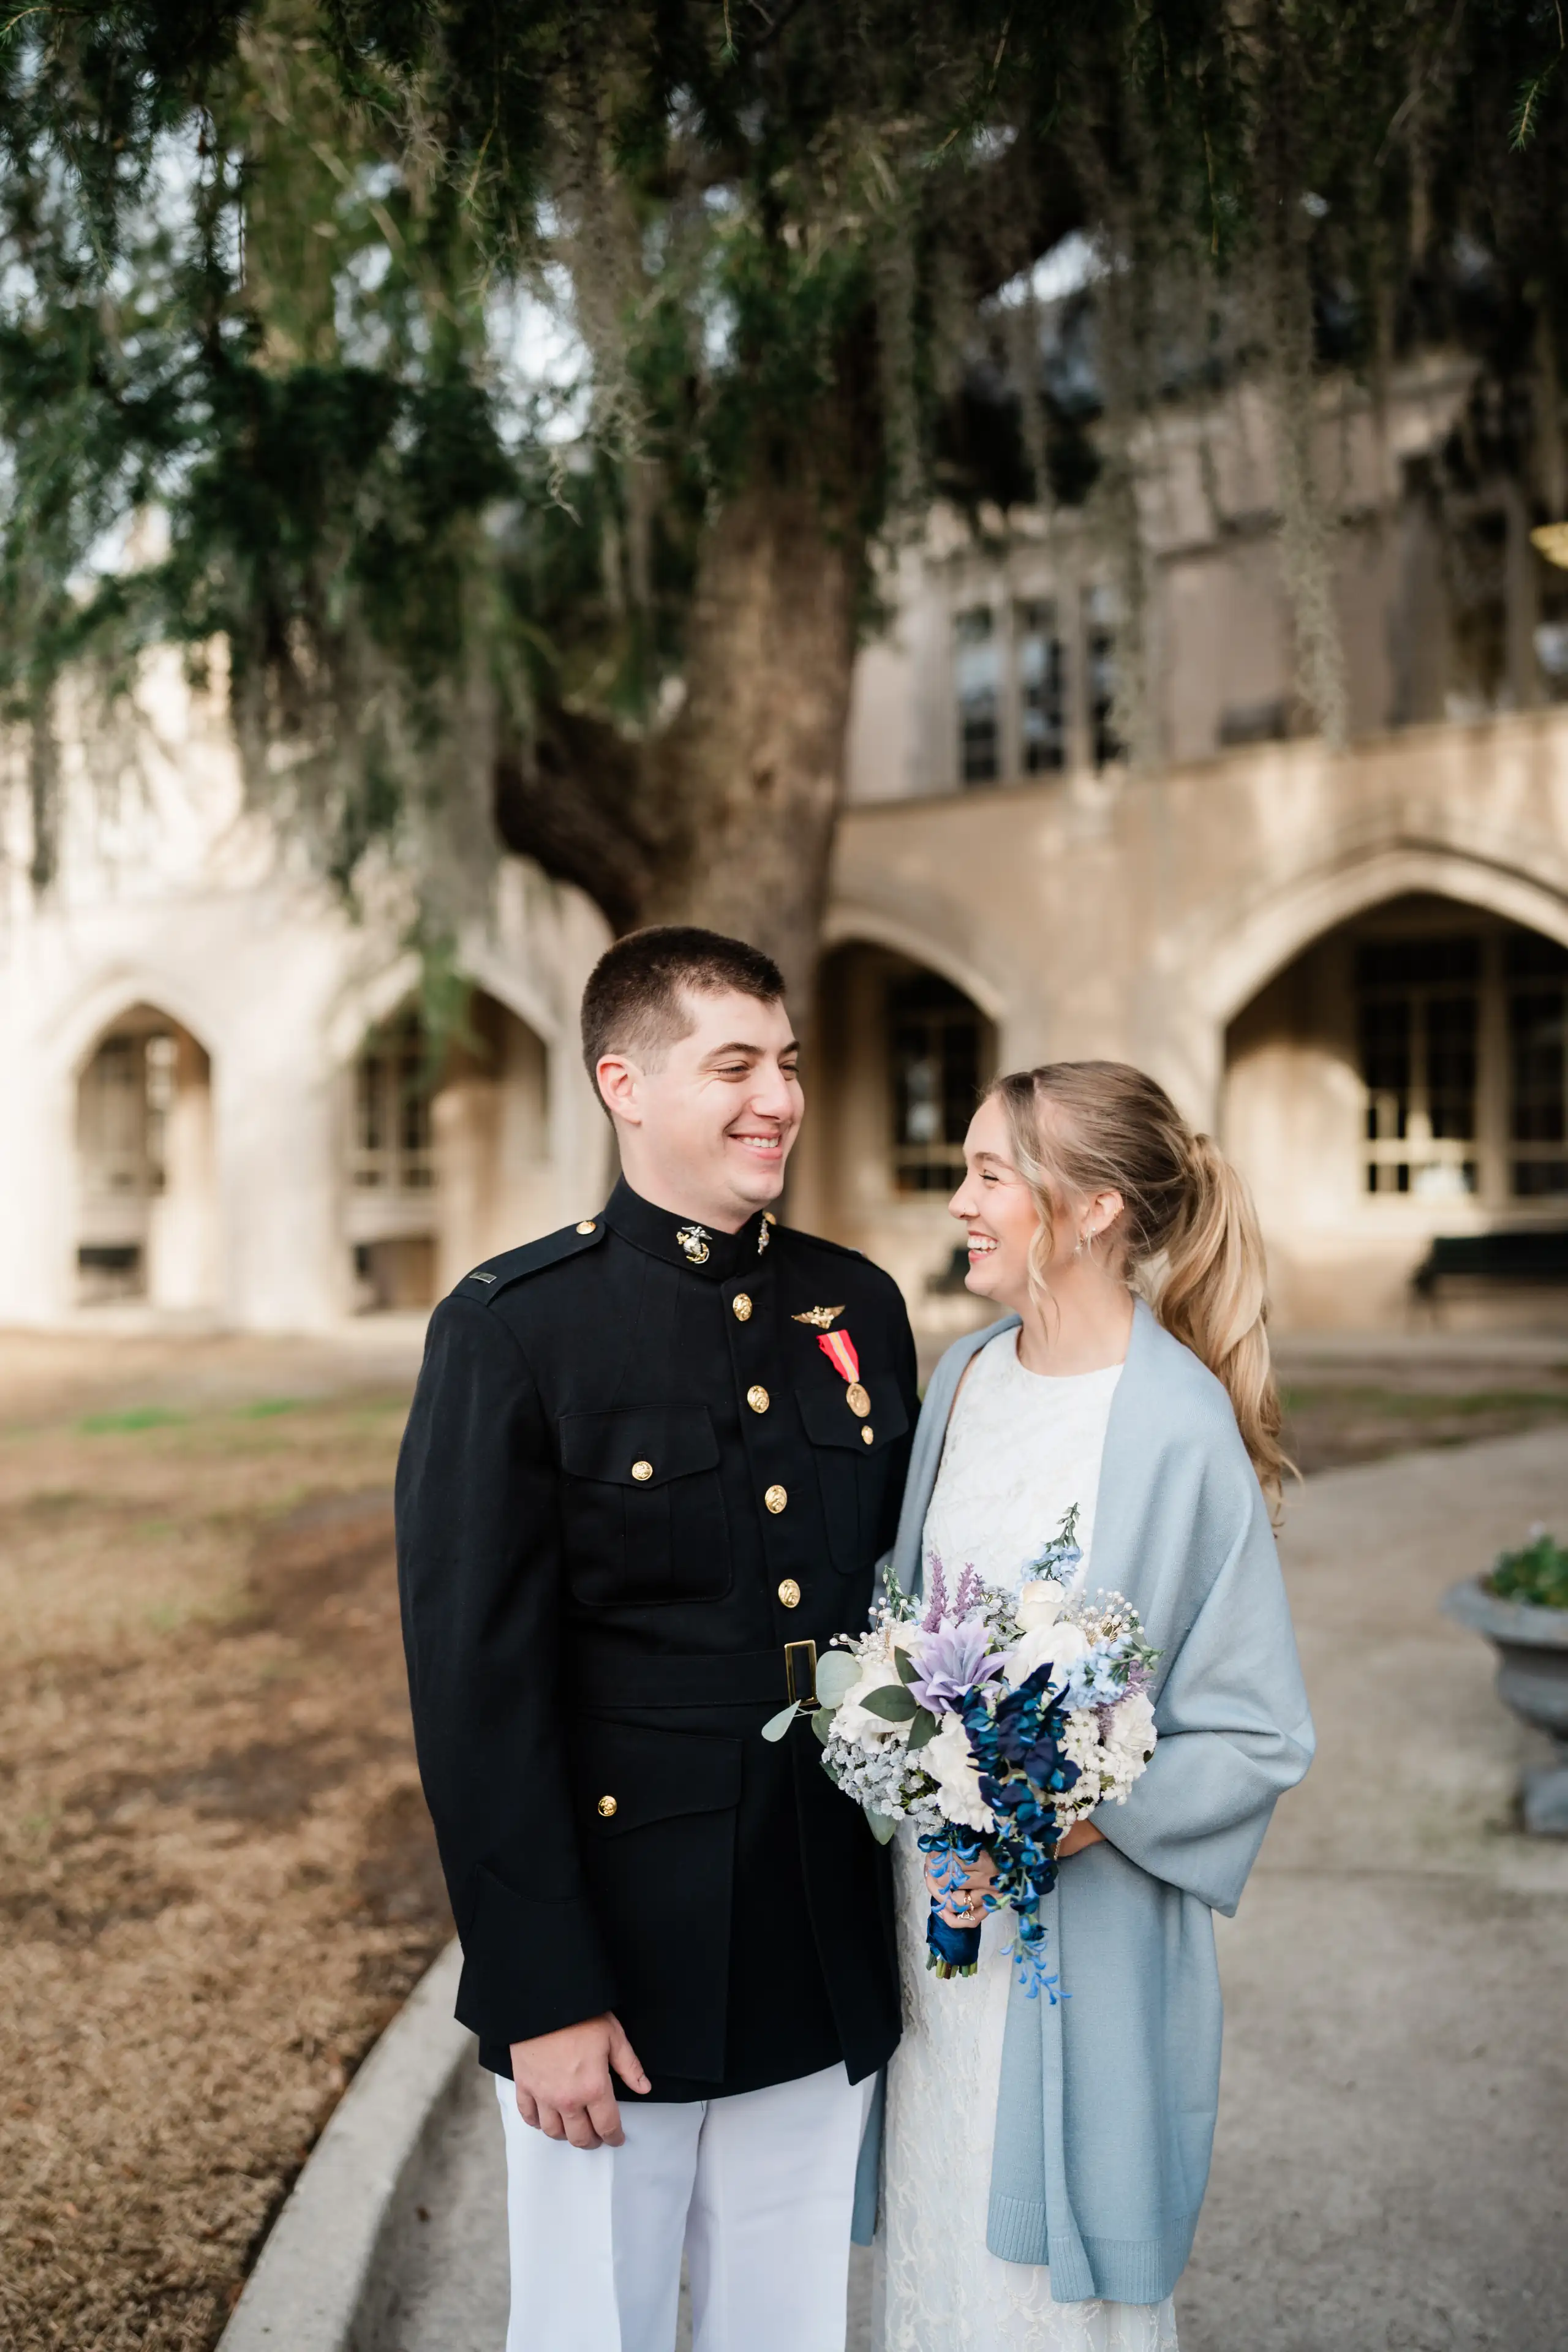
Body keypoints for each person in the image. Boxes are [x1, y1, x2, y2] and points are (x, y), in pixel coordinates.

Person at [394, 926, 919, 2352]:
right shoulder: (514, 1331)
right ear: (623, 1083)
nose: (779, 1099)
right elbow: (475, 1695)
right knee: (591, 2329)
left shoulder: (854, 1307)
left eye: (789, 1063)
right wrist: (540, 1989)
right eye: (733, 1065)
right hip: (615, 1968)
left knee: (789, 2324)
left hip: (816, 1939)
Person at [864, 1061, 1314, 2351]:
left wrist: (1080, 1815)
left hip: (1075, 1944)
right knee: (939, 2233)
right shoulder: (960, 1381)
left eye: (988, 1174)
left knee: (1041, 2293)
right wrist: (907, 1755)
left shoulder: (1173, 1427)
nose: (959, 1201)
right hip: (934, 1925)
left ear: (1094, 1207)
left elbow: (1255, 1727)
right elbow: (909, 1625)